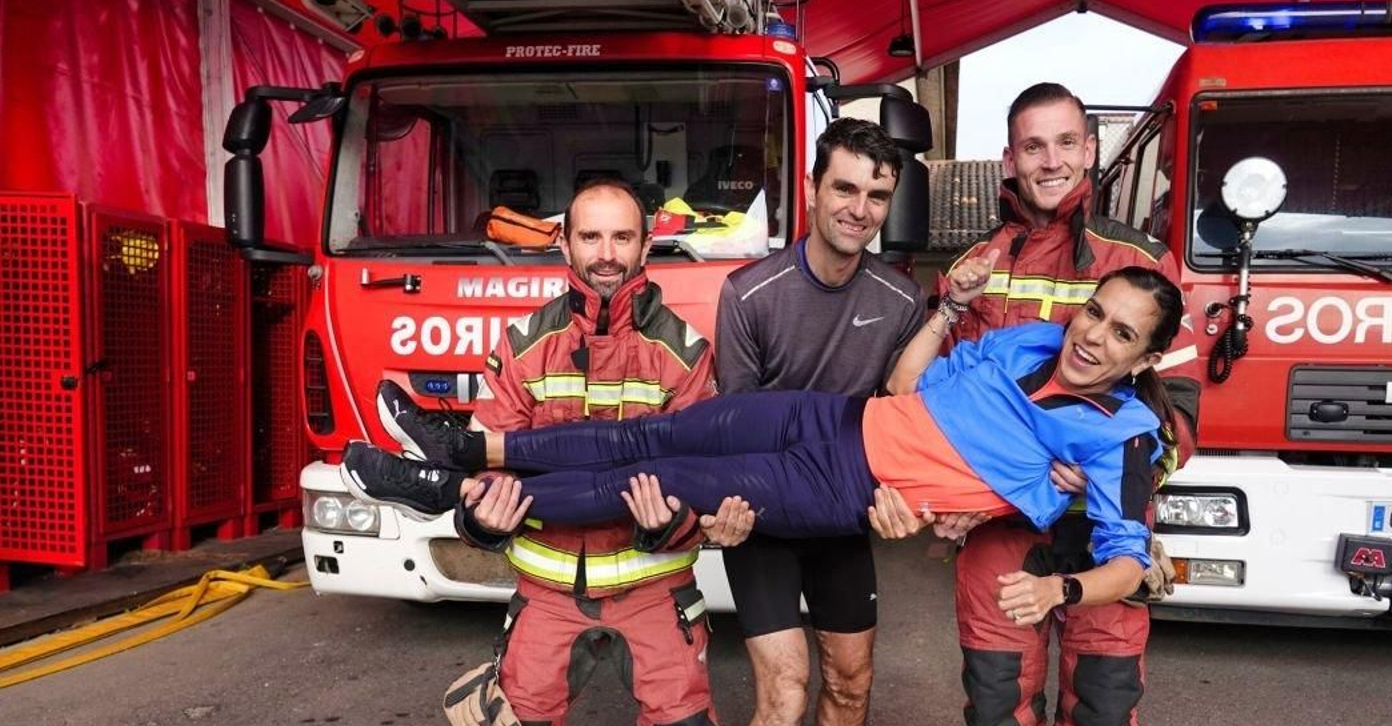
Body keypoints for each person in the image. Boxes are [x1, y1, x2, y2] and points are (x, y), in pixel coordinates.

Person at [341, 266, 1182, 602]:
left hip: (844, 488)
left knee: (658, 484)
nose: (1091, 337)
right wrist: (951, 311)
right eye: (1094, 313)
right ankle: (464, 445)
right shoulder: (1032, 336)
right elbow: (908, 385)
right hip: (832, 413)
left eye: (1119, 335)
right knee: (649, 435)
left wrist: (1058, 588)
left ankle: (450, 495)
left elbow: (1129, 555)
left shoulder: (1122, 435)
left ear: (1142, 358)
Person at [916, 82, 1204, 726]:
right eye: (1031, 146)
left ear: (1090, 151)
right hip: (1003, 539)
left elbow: (1182, 419)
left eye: (1065, 143)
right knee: (999, 716)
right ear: (1010, 159)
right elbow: (937, 409)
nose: (1049, 161)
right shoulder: (976, 266)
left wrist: (1120, 481)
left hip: (1107, 545)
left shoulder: (1142, 261)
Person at [429, 177, 756, 726]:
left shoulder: (685, 354)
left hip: (651, 590)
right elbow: (488, 466)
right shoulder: (521, 346)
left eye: (621, 239)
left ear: (647, 246)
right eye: (590, 238)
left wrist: (669, 522)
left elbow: (699, 483)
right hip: (545, 589)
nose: (606, 255)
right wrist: (479, 518)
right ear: (566, 244)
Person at [713, 116, 927, 726]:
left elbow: (901, 423)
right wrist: (727, 512)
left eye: (878, 194)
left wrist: (898, 496)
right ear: (812, 187)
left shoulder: (903, 299)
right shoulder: (750, 294)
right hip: (763, 519)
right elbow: (733, 427)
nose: (861, 207)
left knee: (852, 673)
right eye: (845, 187)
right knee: (786, 689)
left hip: (843, 517)